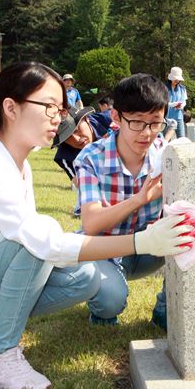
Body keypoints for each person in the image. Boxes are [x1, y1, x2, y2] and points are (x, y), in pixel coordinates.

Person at [0, 62, 195, 389]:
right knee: (35, 239)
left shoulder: (18, 165)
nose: (59, 117)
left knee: (84, 278)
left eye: (61, 108)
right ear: (10, 107)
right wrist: (142, 241)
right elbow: (43, 242)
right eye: (49, 107)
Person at [73, 73, 172, 330]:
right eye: (138, 122)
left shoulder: (164, 155)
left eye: (155, 123)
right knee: (110, 301)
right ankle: (102, 308)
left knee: (191, 236)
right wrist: (140, 199)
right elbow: (92, 223)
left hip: (147, 249)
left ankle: (167, 311)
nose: (147, 133)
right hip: (103, 249)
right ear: (116, 117)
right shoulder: (91, 159)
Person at [52, 106, 111, 183]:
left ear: (86, 119)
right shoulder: (65, 157)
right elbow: (84, 186)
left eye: (76, 130)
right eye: (67, 138)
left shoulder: (114, 119)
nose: (76, 139)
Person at [166, 66, 187, 138]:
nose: (176, 80)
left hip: (179, 117)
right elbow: (161, 102)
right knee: (166, 139)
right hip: (167, 117)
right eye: (175, 78)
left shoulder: (182, 88)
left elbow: (184, 101)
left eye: (178, 79)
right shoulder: (164, 87)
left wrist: (182, 105)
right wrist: (172, 104)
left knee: (181, 138)